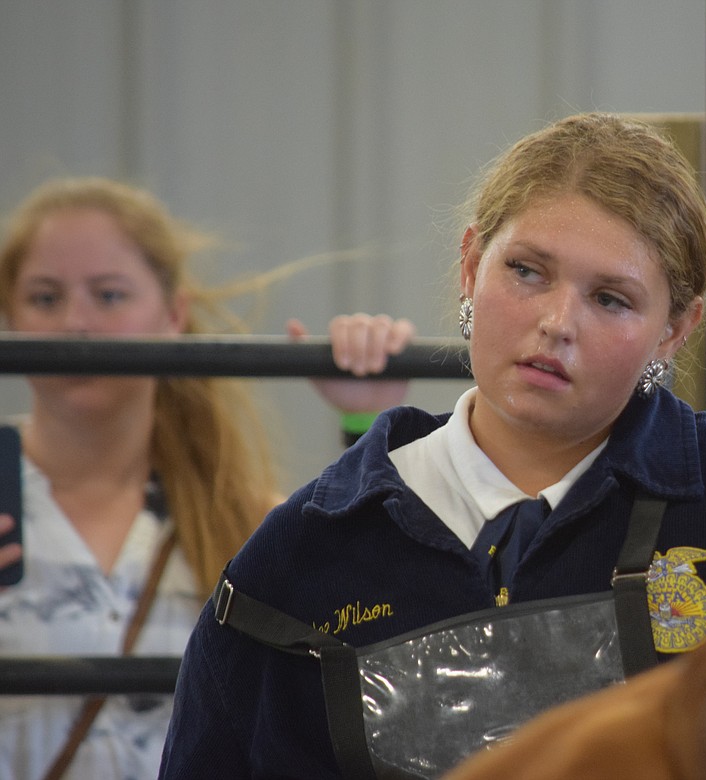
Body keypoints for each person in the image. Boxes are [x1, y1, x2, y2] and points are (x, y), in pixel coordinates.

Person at [158, 113, 706, 779]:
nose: (555, 325)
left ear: (675, 329)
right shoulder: (301, 563)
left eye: (611, 299)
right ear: (472, 266)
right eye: (527, 271)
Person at [0, 176, 414, 780]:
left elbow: (385, 640)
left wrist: (366, 417)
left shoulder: (241, 518)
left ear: (173, 315)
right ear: (8, 316)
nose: (76, 323)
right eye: (43, 298)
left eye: (109, 296)